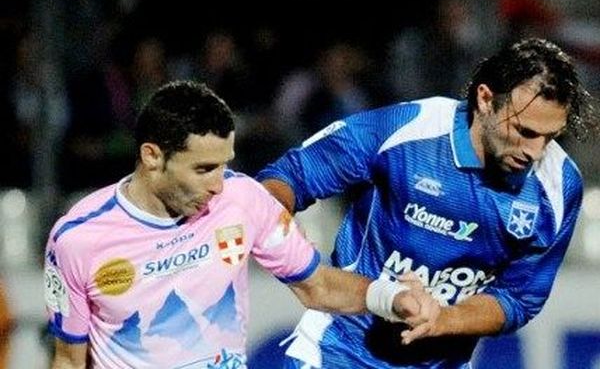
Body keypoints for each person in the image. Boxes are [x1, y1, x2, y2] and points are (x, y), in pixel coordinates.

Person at [258, 38, 599, 368]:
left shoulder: (558, 187)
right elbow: (289, 176)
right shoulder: (408, 130)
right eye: (525, 131)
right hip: (339, 352)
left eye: (550, 137)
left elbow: (519, 298)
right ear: (485, 99)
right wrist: (278, 230)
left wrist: (444, 318)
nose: (536, 151)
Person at [43, 80, 429, 369]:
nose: (218, 184)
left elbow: (319, 286)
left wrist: (390, 297)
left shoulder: (242, 198)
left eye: (225, 164)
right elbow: (69, 360)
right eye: (203, 169)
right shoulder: (78, 240)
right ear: (152, 156)